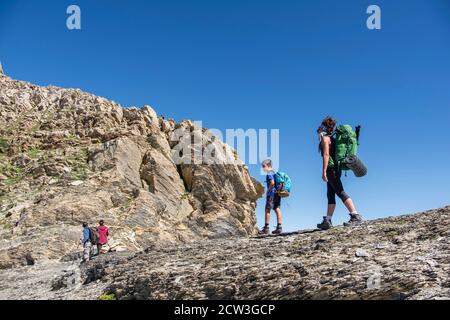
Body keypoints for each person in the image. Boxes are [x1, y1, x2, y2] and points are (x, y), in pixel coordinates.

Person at [317, 116, 363, 230]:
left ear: (324, 127)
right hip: (336, 169)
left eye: (321, 126)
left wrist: (324, 171)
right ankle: (327, 220)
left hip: (331, 169)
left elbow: (326, 155)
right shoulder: (332, 138)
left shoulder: (326, 139)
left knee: (340, 192)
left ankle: (355, 215)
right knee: (330, 194)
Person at [259, 159, 283, 235]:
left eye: (263, 166)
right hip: (277, 194)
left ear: (268, 166)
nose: (263, 168)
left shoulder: (269, 173)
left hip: (271, 194)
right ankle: (279, 227)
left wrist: (267, 191)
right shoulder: (275, 173)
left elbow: (272, 183)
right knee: (277, 208)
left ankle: (266, 228)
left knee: (267, 209)